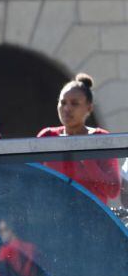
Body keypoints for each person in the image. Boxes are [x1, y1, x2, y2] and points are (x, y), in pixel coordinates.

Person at [37, 74, 121, 205]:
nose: (67, 108)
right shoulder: (47, 137)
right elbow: (32, 181)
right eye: (63, 102)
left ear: (89, 108)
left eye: (74, 103)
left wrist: (84, 153)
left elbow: (113, 190)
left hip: (92, 219)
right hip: (54, 219)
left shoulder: (102, 139)